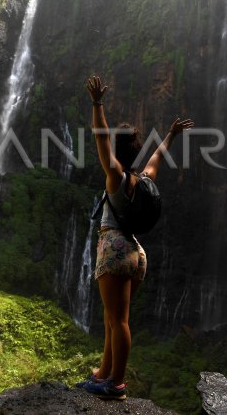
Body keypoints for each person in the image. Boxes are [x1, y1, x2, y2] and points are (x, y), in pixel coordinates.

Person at [77, 75, 193, 400]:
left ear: (116, 150)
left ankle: (116, 383)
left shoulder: (114, 175)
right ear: (136, 150)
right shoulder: (142, 179)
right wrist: (171, 134)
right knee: (112, 319)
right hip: (136, 254)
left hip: (114, 247)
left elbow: (99, 136)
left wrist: (98, 104)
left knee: (118, 320)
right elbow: (157, 158)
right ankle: (103, 373)